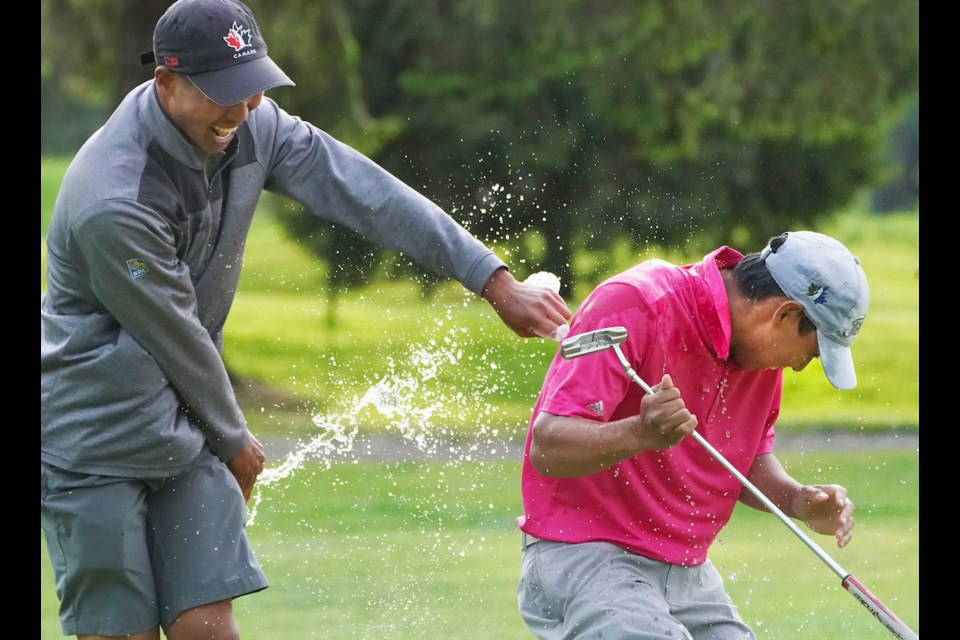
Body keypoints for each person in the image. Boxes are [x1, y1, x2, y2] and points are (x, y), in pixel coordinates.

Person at [39, 0, 571, 638]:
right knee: (120, 632)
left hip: (187, 420)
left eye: (251, 89)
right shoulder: (114, 200)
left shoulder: (248, 125)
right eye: (221, 94)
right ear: (167, 83)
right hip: (96, 437)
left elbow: (357, 186)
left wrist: (490, 277)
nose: (239, 112)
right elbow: (173, 334)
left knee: (208, 628)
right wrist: (236, 441)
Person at [516, 231, 868, 639]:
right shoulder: (638, 301)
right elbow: (548, 444)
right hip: (585, 552)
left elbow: (744, 460)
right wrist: (640, 432)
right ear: (784, 315)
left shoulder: (760, 360)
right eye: (811, 352)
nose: (801, 367)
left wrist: (797, 500)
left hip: (687, 573)